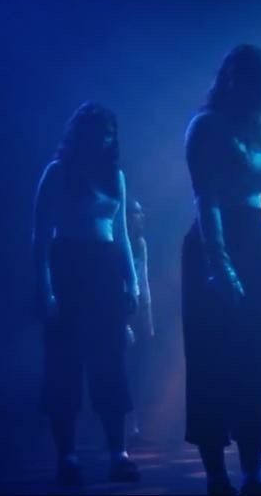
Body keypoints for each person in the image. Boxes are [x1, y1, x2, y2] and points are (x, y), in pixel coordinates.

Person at [181, 44, 261, 495]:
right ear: (228, 80)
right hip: (216, 239)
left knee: (256, 357)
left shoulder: (254, 130)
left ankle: (252, 474)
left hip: (255, 239)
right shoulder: (206, 126)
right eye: (242, 77)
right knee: (212, 358)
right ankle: (216, 476)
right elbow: (206, 200)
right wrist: (220, 267)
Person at [32, 101, 141, 486]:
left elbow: (122, 234)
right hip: (68, 266)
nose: (103, 139)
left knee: (110, 363)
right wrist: (45, 289)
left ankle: (119, 453)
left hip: (105, 269)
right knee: (64, 364)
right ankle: (68, 457)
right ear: (80, 134)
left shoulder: (115, 176)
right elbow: (40, 237)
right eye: (96, 132)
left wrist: (133, 283)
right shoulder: (57, 172)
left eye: (108, 133)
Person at [126, 199, 155, 439]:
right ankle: (127, 424)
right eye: (136, 213)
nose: (141, 216)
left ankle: (137, 423)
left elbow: (144, 283)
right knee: (124, 367)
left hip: (139, 310)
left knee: (140, 368)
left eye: (141, 212)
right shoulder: (119, 243)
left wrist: (149, 318)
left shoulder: (141, 243)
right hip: (123, 310)